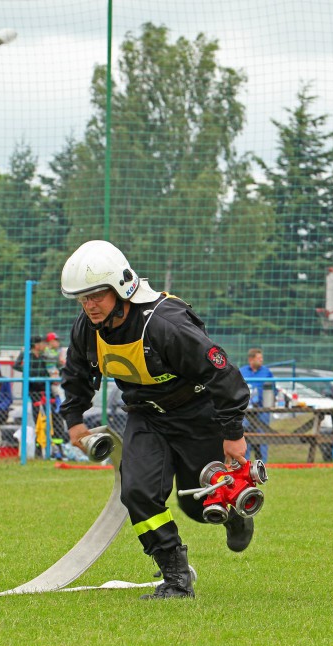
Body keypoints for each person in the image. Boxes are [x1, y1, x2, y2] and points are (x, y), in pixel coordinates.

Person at [58, 240, 251, 600]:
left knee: (198, 505)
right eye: (83, 299)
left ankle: (235, 510)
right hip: (146, 416)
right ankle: (176, 579)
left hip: (198, 416)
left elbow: (222, 373)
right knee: (136, 493)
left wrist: (232, 432)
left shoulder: (166, 324)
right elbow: (76, 373)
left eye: (97, 295)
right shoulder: (87, 328)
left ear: (121, 288)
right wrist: (73, 419)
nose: (89, 305)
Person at [14, 335, 64, 457]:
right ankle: (38, 450)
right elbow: (17, 366)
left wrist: (54, 376)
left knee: (56, 418)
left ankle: (58, 449)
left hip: (47, 391)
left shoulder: (43, 357)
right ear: (36, 345)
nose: (44, 345)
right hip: (35, 393)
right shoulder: (29, 357)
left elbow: (53, 368)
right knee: (38, 421)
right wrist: (22, 354)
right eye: (42, 343)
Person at [239, 348, 274, 463]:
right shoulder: (242, 371)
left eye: (261, 358)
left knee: (262, 436)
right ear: (251, 359)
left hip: (262, 410)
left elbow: (272, 390)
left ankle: (262, 463)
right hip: (245, 410)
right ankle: (245, 462)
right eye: (259, 358)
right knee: (244, 435)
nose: (261, 360)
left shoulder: (267, 372)